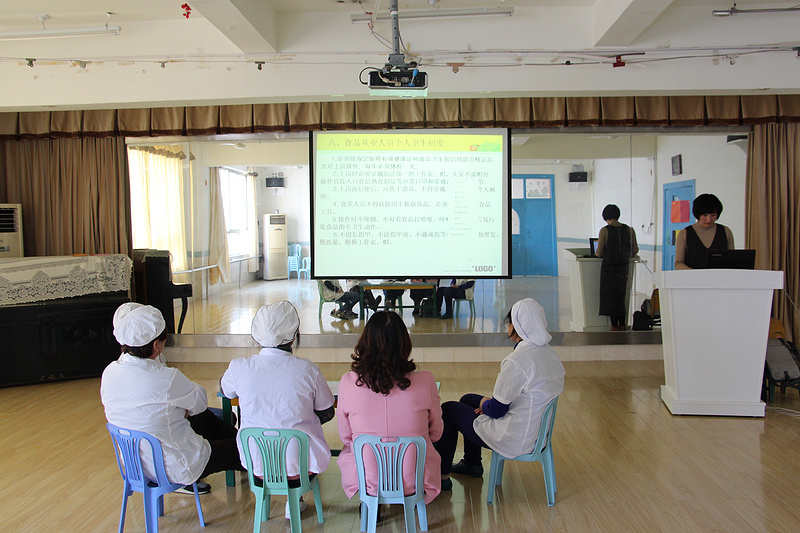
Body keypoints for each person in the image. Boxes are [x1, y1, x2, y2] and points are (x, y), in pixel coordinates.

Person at [101, 303, 243, 495]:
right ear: (155, 345)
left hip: (137, 466)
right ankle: (264, 463)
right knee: (239, 449)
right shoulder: (167, 378)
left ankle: (238, 439)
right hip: (175, 466)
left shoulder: (109, 372)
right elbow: (199, 401)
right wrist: (182, 408)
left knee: (203, 419)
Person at [434, 298, 564, 490]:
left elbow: (496, 411)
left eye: (509, 322)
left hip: (514, 437)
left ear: (517, 326)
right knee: (468, 399)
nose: (508, 325)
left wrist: (487, 406)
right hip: (536, 433)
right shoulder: (549, 354)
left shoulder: (518, 360)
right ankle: (472, 463)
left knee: (448, 409)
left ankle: (442, 476)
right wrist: (486, 403)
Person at [220, 301, 335, 519]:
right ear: (293, 337)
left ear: (257, 336)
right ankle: (295, 501)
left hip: (256, 466)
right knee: (298, 438)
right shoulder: (307, 369)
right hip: (300, 469)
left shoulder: (239, 367)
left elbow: (226, 391)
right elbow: (327, 410)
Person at [337, 311, 443, 505]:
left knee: (352, 449)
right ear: (404, 343)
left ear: (365, 343)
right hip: (416, 482)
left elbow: (345, 437)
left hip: (365, 482)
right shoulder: (426, 380)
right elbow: (436, 433)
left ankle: (371, 502)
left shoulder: (348, 382)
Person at [595, 204, 639, 331]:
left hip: (609, 269)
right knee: (621, 297)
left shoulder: (605, 230)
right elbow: (634, 249)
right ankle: (623, 325)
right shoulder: (629, 229)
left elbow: (599, 252)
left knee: (610, 297)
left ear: (605, 217)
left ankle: (614, 326)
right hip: (623, 268)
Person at [674, 193, 734, 270]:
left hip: (719, 278)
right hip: (693, 279)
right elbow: (678, 263)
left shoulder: (726, 231)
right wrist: (697, 274)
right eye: (705, 215)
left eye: (713, 215)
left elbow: (732, 260)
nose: (709, 219)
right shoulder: (685, 233)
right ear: (697, 214)